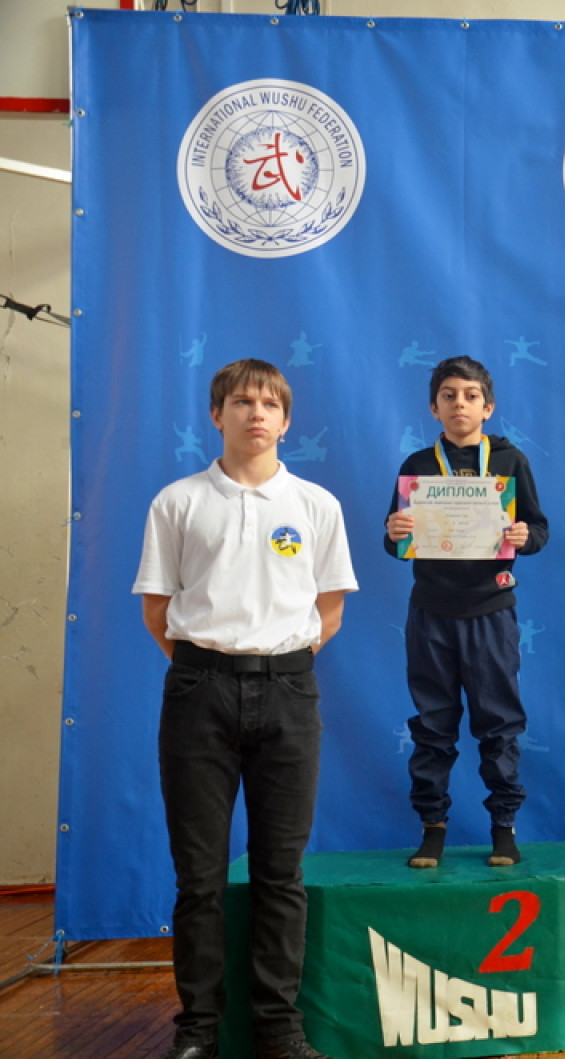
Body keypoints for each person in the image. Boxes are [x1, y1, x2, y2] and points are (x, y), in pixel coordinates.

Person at [134, 359, 358, 1059]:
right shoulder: (177, 501)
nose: (255, 413)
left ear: (286, 421)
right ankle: (198, 1030)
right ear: (217, 414)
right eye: (240, 401)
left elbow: (329, 610)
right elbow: (157, 610)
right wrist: (216, 664)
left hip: (289, 693)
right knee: (199, 876)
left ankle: (278, 1029)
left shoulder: (316, 504)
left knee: (279, 872)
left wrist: (270, 662)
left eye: (269, 404)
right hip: (198, 692)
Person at [384, 356, 549, 868]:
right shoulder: (417, 465)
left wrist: (524, 535)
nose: (460, 404)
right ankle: (432, 827)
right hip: (430, 613)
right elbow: (396, 544)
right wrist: (394, 533)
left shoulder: (510, 461)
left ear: (488, 407)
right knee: (432, 725)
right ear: (433, 407)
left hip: (491, 613)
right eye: (449, 395)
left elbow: (539, 530)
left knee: (499, 724)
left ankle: (504, 827)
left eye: (471, 396)